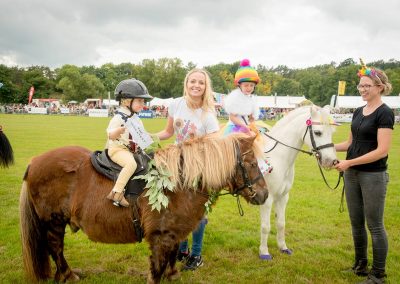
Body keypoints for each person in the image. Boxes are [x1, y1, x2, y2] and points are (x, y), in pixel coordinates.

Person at [334, 60, 394, 284]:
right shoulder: (359, 111)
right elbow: (350, 143)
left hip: (373, 176)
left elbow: (382, 150)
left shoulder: (385, 113)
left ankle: (378, 274)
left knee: (375, 225)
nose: (362, 90)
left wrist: (349, 163)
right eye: (360, 86)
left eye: (367, 85)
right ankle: (360, 265)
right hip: (353, 175)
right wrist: (326, 149)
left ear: (379, 87)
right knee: (356, 222)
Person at [156, 68, 219, 270]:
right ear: (187, 83)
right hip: (176, 162)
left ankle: (196, 254)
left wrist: (195, 142)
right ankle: (182, 249)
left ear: (205, 87)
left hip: (198, 164)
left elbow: (215, 141)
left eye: (201, 82)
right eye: (193, 81)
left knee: (196, 211)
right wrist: (148, 136)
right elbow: (168, 132)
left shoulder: (208, 113)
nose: (196, 85)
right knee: (177, 207)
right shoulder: (176, 104)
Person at [106, 78, 153, 207]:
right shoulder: (119, 117)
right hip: (118, 150)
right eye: (139, 100)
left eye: (143, 101)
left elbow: (142, 137)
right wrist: (118, 131)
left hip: (131, 150)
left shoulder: (136, 119)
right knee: (131, 164)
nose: (143, 104)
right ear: (127, 101)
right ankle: (117, 192)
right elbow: (110, 134)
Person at [223, 58, 260, 135]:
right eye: (246, 85)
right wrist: (244, 126)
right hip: (235, 126)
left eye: (251, 85)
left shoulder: (252, 99)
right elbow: (233, 117)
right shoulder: (235, 98)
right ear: (239, 85)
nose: (249, 88)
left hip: (246, 126)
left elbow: (251, 118)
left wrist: (252, 124)